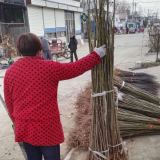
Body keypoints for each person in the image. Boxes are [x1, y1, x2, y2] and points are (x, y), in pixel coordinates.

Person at [4, 33, 106, 160]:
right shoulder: (49, 68)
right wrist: (96, 55)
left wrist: (18, 122)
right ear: (39, 48)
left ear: (19, 50)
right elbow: (76, 68)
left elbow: (9, 104)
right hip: (47, 128)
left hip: (25, 128)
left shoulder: (10, 72)